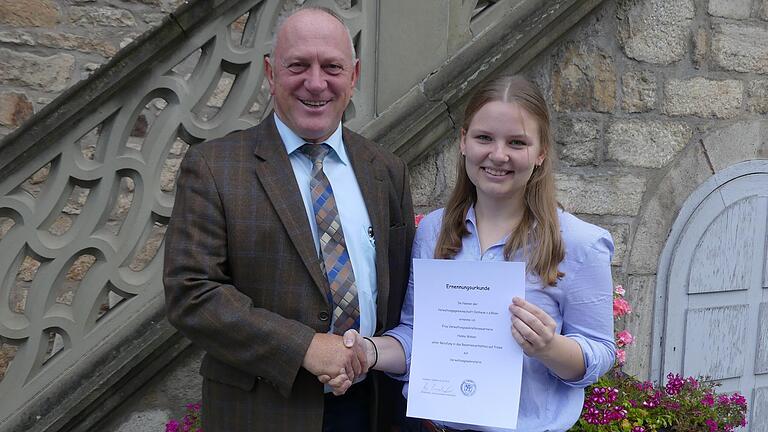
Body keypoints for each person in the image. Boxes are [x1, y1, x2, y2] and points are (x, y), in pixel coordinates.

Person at [163, 6, 415, 432]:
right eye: (298, 65)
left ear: (353, 76)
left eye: (331, 67)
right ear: (270, 72)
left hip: (369, 408)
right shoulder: (214, 167)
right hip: (263, 411)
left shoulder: (386, 169)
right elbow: (192, 294)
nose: (315, 83)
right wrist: (304, 347)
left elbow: (402, 292)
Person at [323, 75, 615, 431]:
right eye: (484, 138)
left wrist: (549, 347)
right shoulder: (433, 230)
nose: (498, 154)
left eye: (517, 142)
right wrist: (368, 352)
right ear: (463, 142)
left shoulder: (580, 243)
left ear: (541, 153)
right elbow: (418, 337)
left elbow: (600, 353)